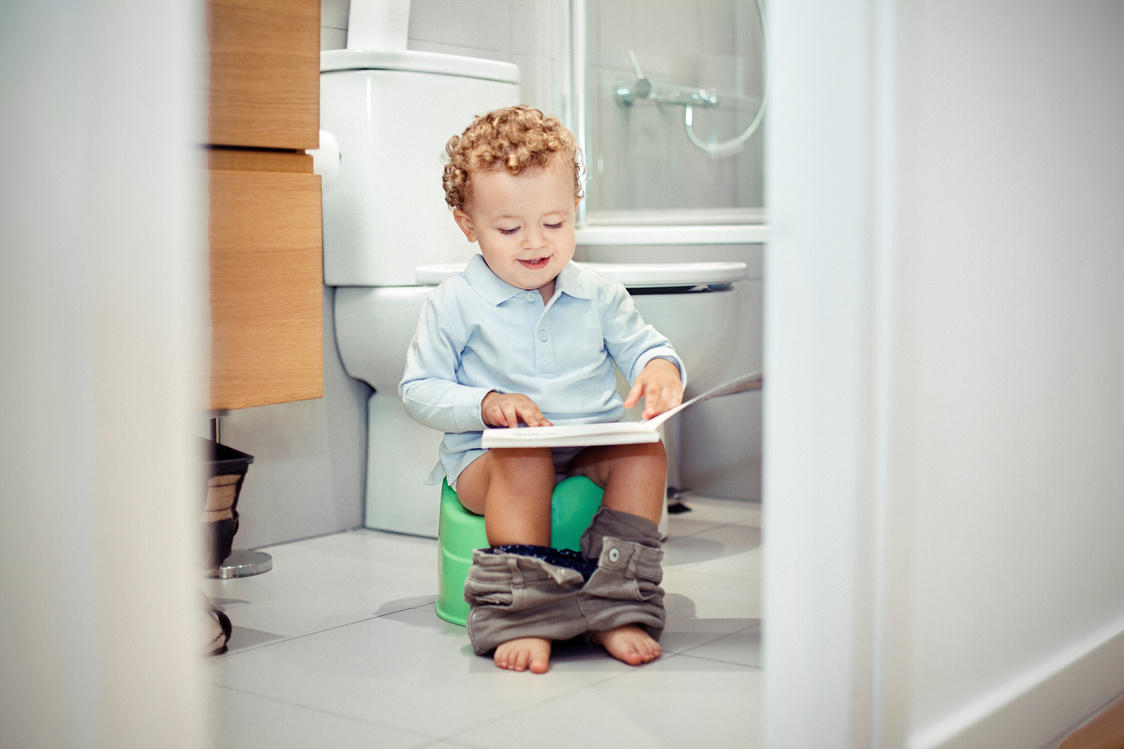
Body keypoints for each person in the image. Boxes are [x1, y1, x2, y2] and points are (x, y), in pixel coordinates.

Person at [399, 105, 685, 674]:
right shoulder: (455, 301)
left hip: (583, 444)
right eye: (509, 229)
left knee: (645, 452)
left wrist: (660, 368)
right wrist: (486, 404)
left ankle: (615, 600)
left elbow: (644, 345)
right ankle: (523, 613)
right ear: (467, 225)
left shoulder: (599, 293)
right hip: (492, 457)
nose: (535, 242)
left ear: (575, 209)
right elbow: (417, 388)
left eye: (555, 223)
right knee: (525, 458)